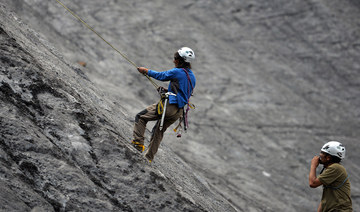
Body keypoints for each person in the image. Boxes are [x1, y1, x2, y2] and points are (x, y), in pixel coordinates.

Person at [131, 47, 196, 162]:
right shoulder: (192, 77)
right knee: (158, 131)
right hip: (178, 111)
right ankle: (149, 158)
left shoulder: (177, 72)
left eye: (175, 58)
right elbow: (183, 92)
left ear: (180, 60)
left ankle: (138, 144)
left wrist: (145, 71)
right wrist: (168, 90)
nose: (173, 61)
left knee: (141, 117)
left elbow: (161, 76)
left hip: (169, 106)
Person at [309, 141, 352, 212]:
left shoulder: (335, 168)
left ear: (328, 157)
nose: (320, 155)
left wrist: (313, 165)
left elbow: (312, 183)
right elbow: (326, 198)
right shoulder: (332, 169)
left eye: (322, 153)